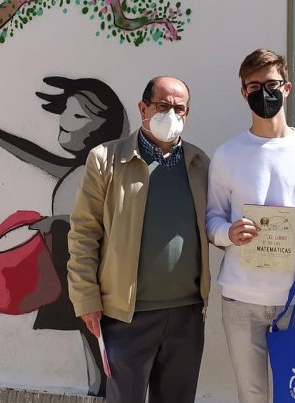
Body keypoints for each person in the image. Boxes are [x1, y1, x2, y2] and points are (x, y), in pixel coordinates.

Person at [0, 76, 128, 395]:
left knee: (102, 351)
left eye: (78, 115)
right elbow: (38, 157)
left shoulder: (106, 171)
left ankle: (106, 393)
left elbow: (107, 223)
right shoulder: (84, 168)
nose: (64, 121)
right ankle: (99, 392)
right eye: (66, 111)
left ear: (104, 127)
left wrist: (56, 223)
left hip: (97, 280)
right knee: (94, 351)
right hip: (75, 278)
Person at [205, 48, 295, 403]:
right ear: (243, 93)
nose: (263, 93)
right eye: (254, 86)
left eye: (271, 84)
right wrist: (228, 233)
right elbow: (212, 218)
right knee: (252, 395)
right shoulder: (227, 154)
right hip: (240, 297)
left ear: (287, 88)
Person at [67, 76, 211, 403]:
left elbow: (213, 224)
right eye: (162, 106)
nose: (170, 114)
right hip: (125, 316)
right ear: (143, 108)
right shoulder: (106, 159)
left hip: (187, 315)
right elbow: (83, 233)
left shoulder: (198, 163)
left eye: (179, 108)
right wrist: (86, 298)